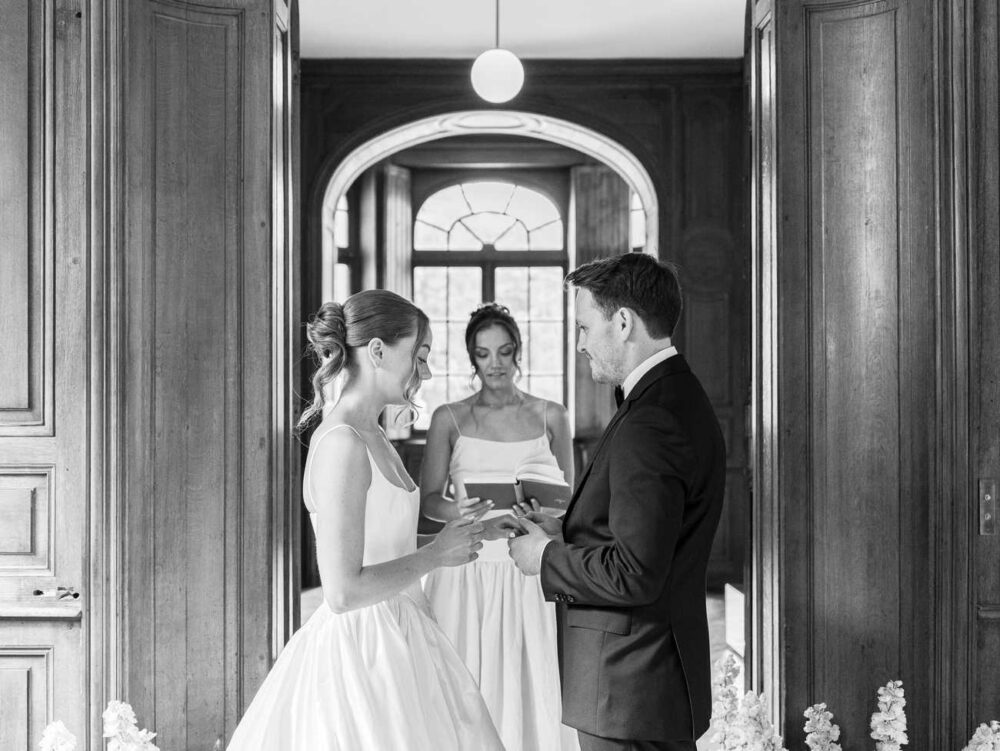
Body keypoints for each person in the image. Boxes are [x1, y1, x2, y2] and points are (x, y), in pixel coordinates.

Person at [228, 290, 504, 750]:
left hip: (405, 629)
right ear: (377, 350)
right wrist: (436, 554)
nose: (427, 371)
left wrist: (468, 534)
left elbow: (382, 539)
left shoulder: (373, 432)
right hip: (364, 653)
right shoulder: (342, 443)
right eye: (419, 356)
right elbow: (342, 591)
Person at [508, 253, 726, 751]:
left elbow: (634, 571)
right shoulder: (672, 397)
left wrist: (543, 556)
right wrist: (569, 526)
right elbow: (651, 536)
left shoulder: (652, 421)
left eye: (585, 326)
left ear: (623, 322)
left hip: (630, 687)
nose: (580, 343)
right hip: (643, 685)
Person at [420, 302, 578, 751]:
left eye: (504, 352)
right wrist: (464, 511)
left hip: (529, 571)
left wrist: (545, 517)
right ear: (472, 356)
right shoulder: (448, 418)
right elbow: (430, 502)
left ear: (518, 353)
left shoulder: (552, 415)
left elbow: (572, 506)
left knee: (532, 688)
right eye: (484, 353)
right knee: (468, 688)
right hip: (466, 572)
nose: (495, 363)